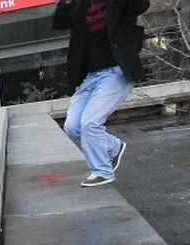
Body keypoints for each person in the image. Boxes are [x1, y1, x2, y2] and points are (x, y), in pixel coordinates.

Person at [53, 0, 148, 187]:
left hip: (116, 72)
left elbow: (141, 5)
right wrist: (65, 3)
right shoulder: (81, 5)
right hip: (89, 76)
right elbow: (58, 23)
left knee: (90, 122)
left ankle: (102, 172)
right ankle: (113, 146)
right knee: (72, 126)